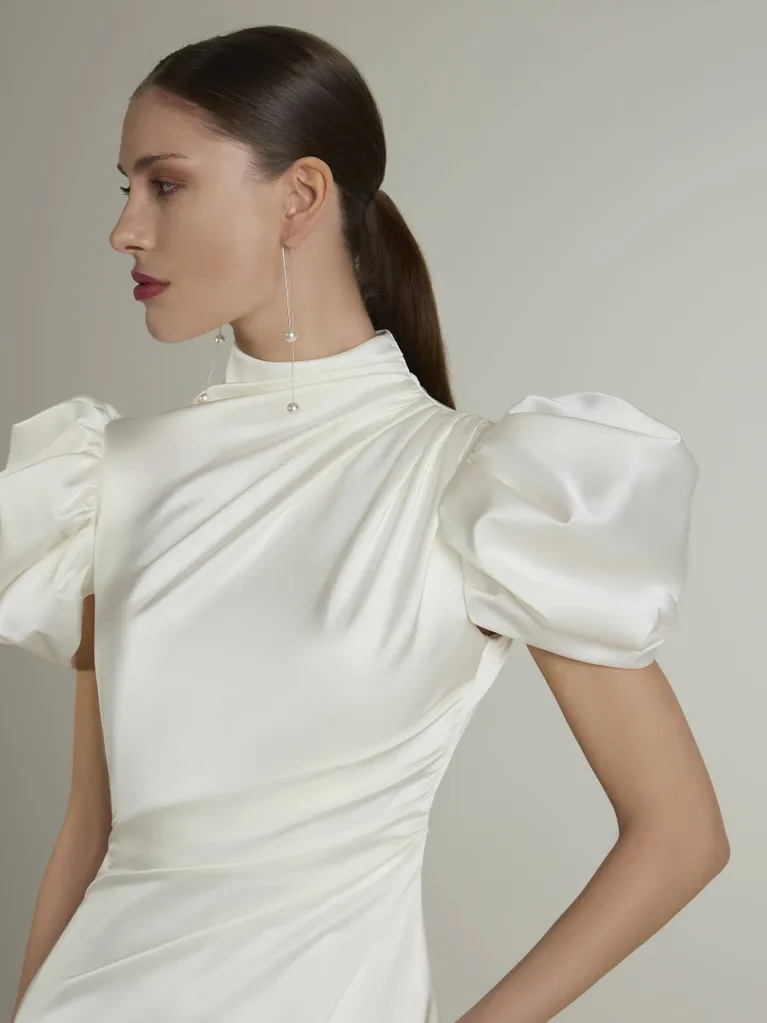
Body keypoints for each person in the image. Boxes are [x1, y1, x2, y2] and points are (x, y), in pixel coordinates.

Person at [1, 24, 728, 1023]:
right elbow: (90, 835)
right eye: (126, 189)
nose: (126, 229)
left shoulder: (483, 486)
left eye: (164, 185)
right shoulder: (107, 479)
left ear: (301, 195)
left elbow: (680, 836)